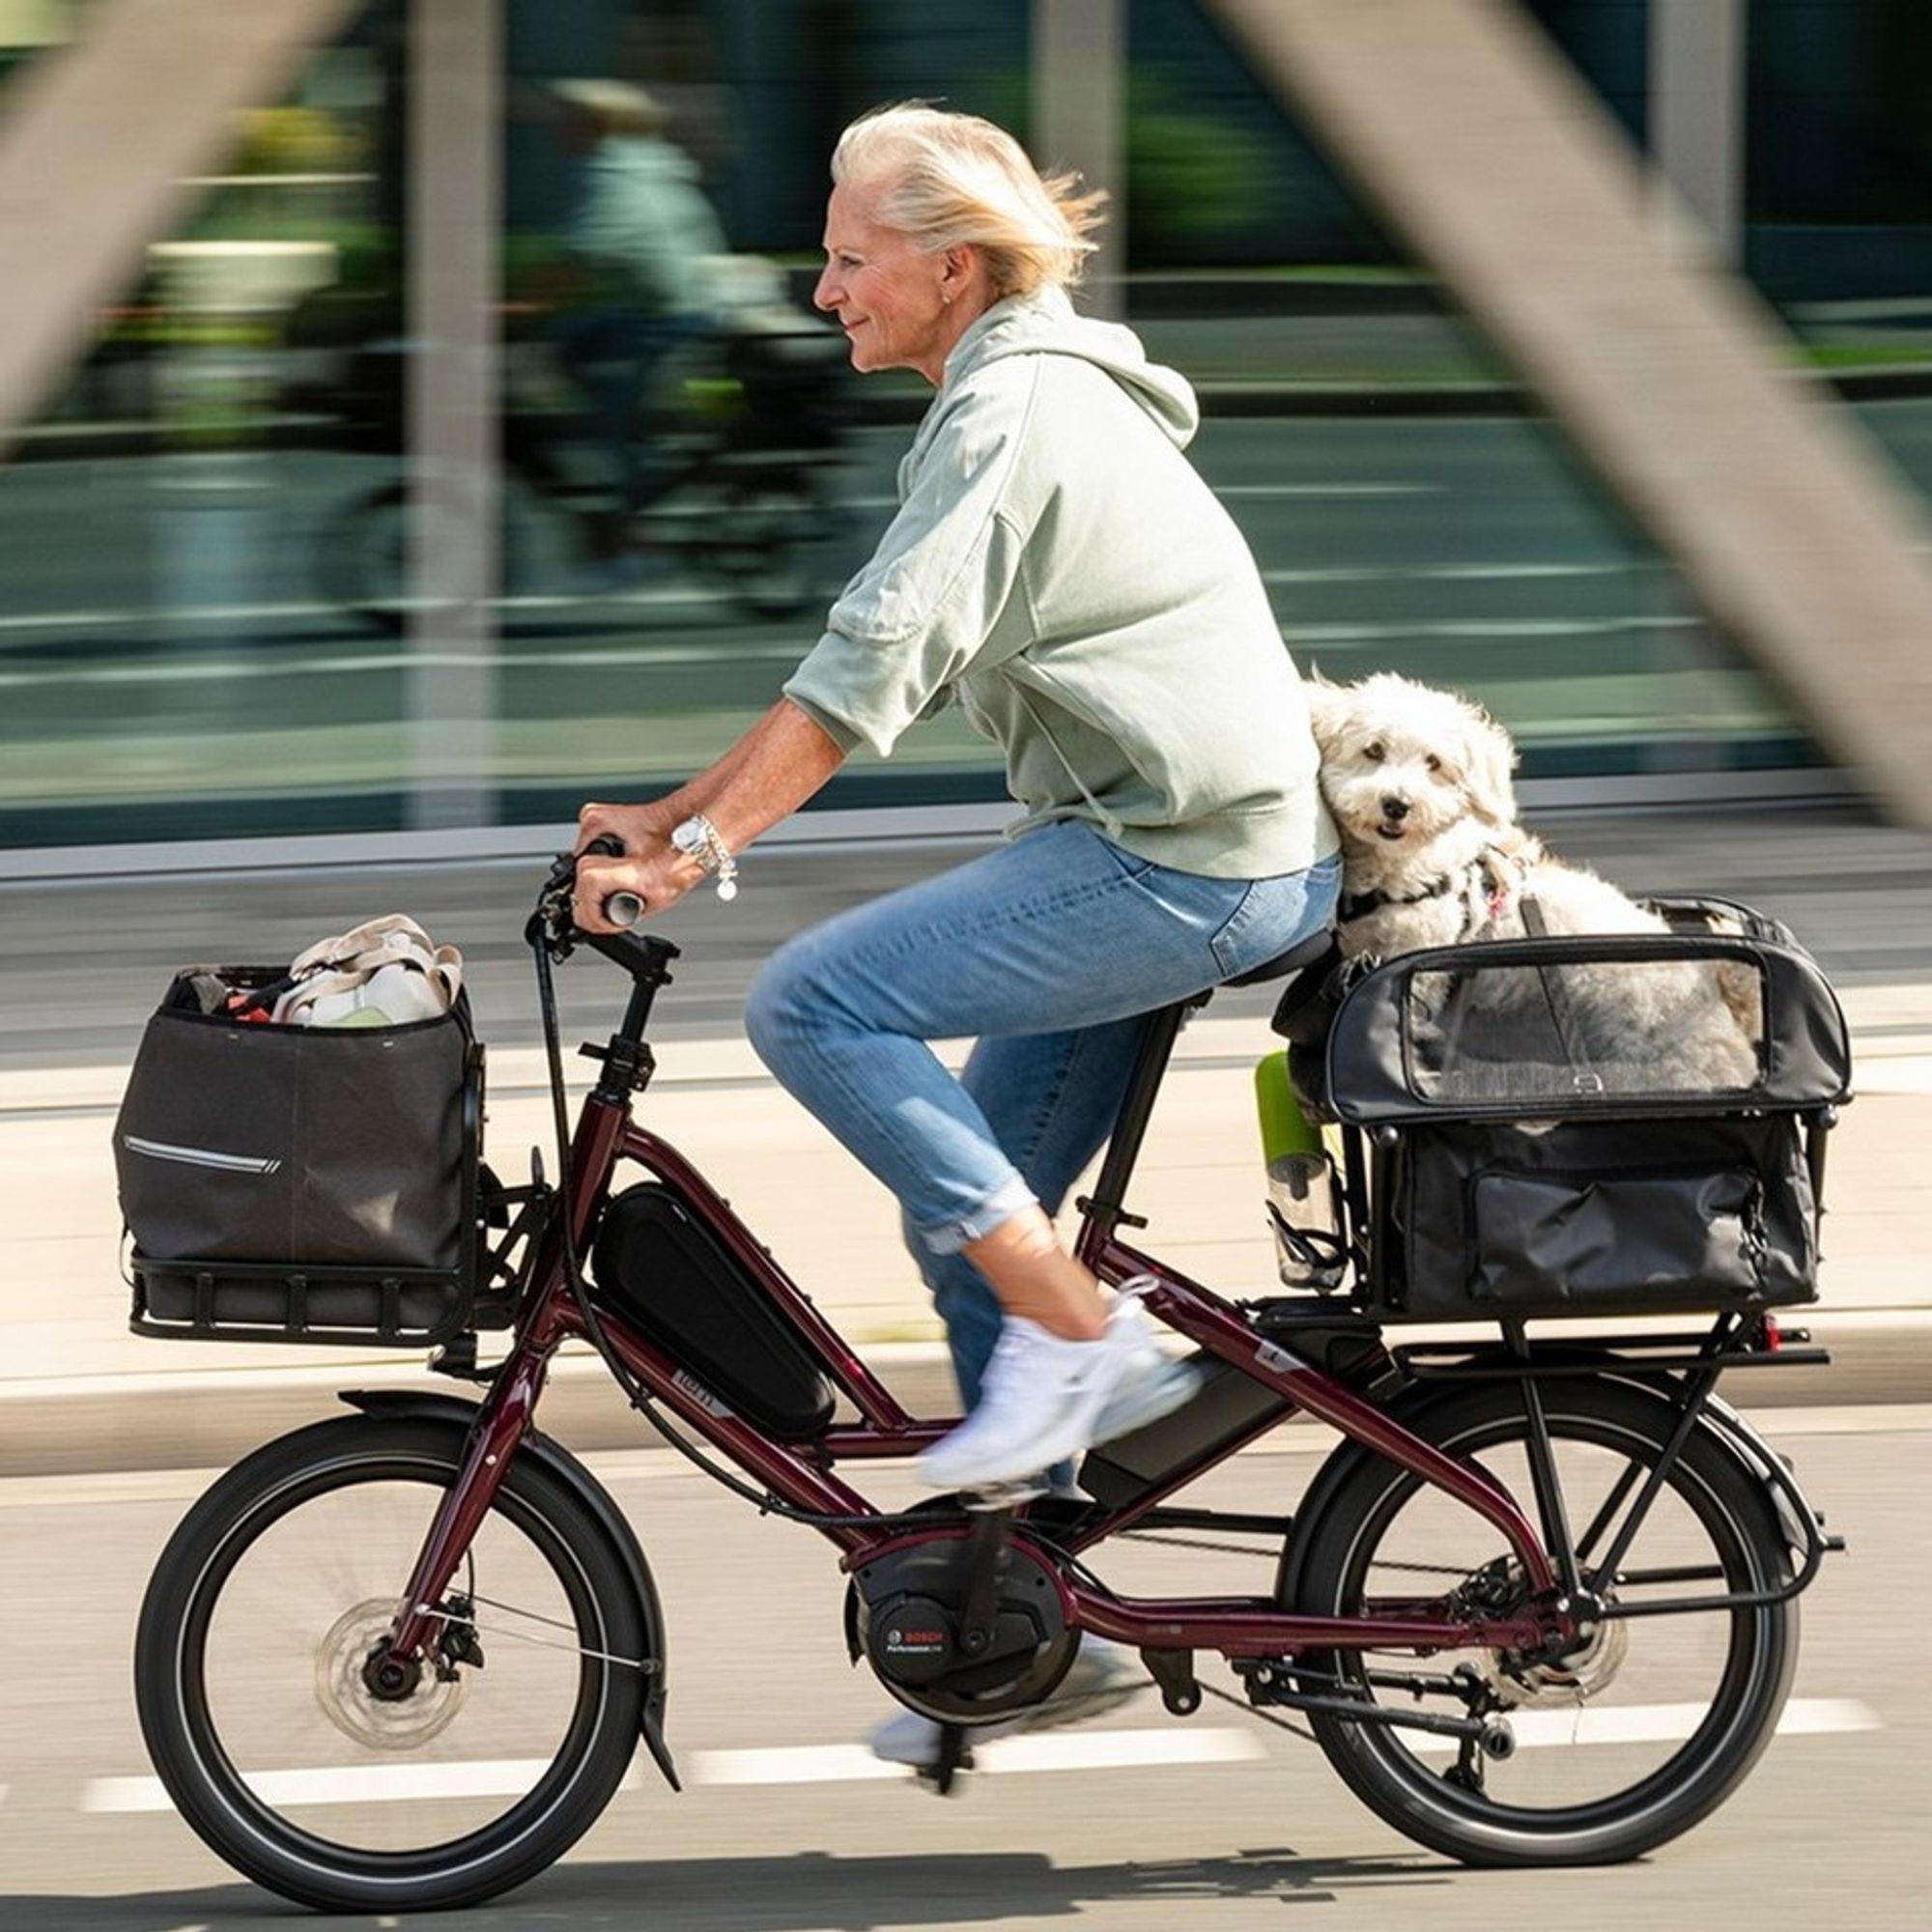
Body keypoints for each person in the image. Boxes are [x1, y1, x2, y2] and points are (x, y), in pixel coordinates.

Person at [573, 102, 1339, 1757]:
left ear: (951, 266)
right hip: (1168, 841)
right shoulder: (1008, 396)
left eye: (852, 259)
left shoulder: (1015, 416)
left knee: (819, 1006)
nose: (824, 286)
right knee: (969, 1195)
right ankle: (1029, 1631)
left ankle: (1090, 1339)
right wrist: (669, 812)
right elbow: (842, 663)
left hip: (1191, 863)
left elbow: (875, 666)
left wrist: (697, 857)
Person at [546, 80, 728, 558]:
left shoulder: (616, 174)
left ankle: (634, 495)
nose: (557, 128)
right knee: (574, 343)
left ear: (595, 126)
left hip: (670, 317)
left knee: (609, 399)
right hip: (669, 306)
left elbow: (585, 253)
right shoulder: (648, 163)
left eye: (568, 119)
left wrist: (524, 306)